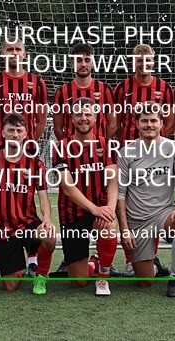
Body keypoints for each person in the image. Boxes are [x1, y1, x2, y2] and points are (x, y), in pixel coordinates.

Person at [0, 35, 49, 277]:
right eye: (9, 49)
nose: (13, 53)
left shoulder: (36, 82)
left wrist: (30, 140)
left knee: (25, 200)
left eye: (18, 49)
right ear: (3, 53)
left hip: (25, 148)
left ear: (24, 54)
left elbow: (41, 116)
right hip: (0, 147)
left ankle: (31, 259)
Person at [116, 102, 175, 297]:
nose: (149, 125)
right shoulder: (126, 152)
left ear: (161, 124)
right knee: (145, 282)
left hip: (164, 212)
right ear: (137, 124)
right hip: (138, 219)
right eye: (144, 121)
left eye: (153, 121)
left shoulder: (174, 147)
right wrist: (125, 230)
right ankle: (154, 265)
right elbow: (121, 194)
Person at [112, 44, 174, 275]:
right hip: (130, 155)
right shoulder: (122, 88)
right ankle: (132, 258)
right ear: (133, 62)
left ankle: (152, 255)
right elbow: (115, 121)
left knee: (156, 203)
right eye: (139, 60)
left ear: (153, 62)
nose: (143, 64)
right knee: (127, 202)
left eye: (147, 60)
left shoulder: (164, 87)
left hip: (157, 155)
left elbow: (169, 120)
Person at [0, 113, 56, 294]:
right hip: (2, 228)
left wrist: (46, 219)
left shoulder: (35, 164)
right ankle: (17, 268)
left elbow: (44, 198)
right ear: (2, 133)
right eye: (11, 130)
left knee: (49, 235)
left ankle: (41, 277)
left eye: (19, 130)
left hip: (28, 223)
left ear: (25, 134)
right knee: (11, 287)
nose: (15, 134)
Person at [53, 97, 119, 296]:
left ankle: (103, 276)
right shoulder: (61, 147)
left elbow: (113, 181)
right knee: (79, 281)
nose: (84, 118)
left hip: (99, 210)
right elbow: (67, 186)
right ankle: (94, 261)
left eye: (88, 114)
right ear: (71, 118)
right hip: (72, 214)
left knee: (109, 226)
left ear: (96, 117)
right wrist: (95, 209)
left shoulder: (107, 145)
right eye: (79, 114)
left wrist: (109, 210)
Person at [52, 43, 117, 140]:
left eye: (87, 60)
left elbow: (113, 125)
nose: (83, 64)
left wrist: (101, 144)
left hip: (98, 151)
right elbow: (57, 128)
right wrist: (68, 145)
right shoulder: (62, 92)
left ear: (93, 63)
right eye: (78, 60)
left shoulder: (105, 89)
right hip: (71, 152)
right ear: (72, 63)